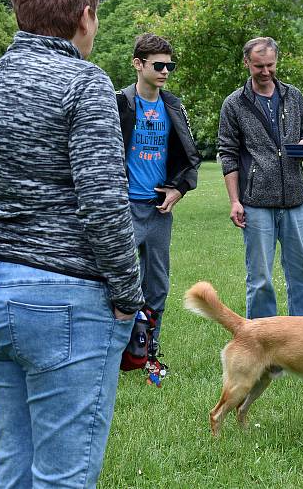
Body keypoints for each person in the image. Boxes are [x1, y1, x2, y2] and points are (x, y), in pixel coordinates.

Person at [0, 0, 143, 486]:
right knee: (64, 476)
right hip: (64, 302)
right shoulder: (85, 84)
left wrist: (8, 253)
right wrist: (130, 295)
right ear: (86, 16)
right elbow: (105, 205)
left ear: (19, 10)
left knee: (13, 466)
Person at [116, 33, 201, 376]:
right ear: (138, 64)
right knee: (118, 282)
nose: (166, 71)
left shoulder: (173, 106)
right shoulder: (119, 103)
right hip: (122, 209)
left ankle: (147, 353)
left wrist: (178, 189)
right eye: (158, 65)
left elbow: (190, 158)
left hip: (158, 209)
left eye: (170, 65)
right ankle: (114, 353)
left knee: (157, 285)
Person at [217, 37, 303, 318]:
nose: (265, 72)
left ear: (277, 62)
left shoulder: (293, 96)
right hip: (256, 203)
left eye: (270, 65)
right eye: (258, 66)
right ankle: (262, 345)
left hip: (296, 200)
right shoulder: (234, 104)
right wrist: (235, 201)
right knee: (260, 279)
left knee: (302, 275)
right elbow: (228, 154)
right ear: (247, 63)